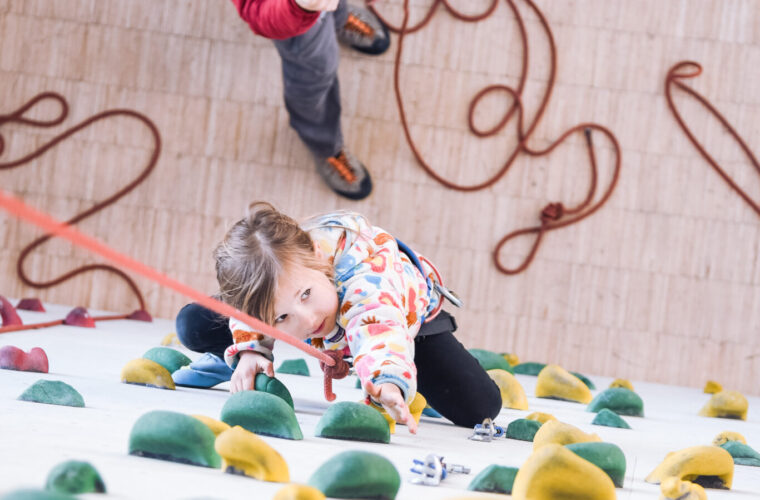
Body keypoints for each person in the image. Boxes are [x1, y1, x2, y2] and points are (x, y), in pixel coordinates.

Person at [174, 202, 502, 431]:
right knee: (195, 323)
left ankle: (405, 372)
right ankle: (239, 361)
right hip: (304, 296)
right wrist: (249, 348)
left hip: (401, 321)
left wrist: (387, 379)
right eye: (282, 317)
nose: (306, 319)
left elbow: (377, 326)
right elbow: (248, 311)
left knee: (480, 408)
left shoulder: (365, 282)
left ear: (319, 260)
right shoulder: (287, 277)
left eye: (306, 295)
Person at [230, 0, 389, 200]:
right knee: (313, 74)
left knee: (331, 15)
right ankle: (324, 143)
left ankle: (337, 18)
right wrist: (302, 8)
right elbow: (257, 10)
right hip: (290, 11)